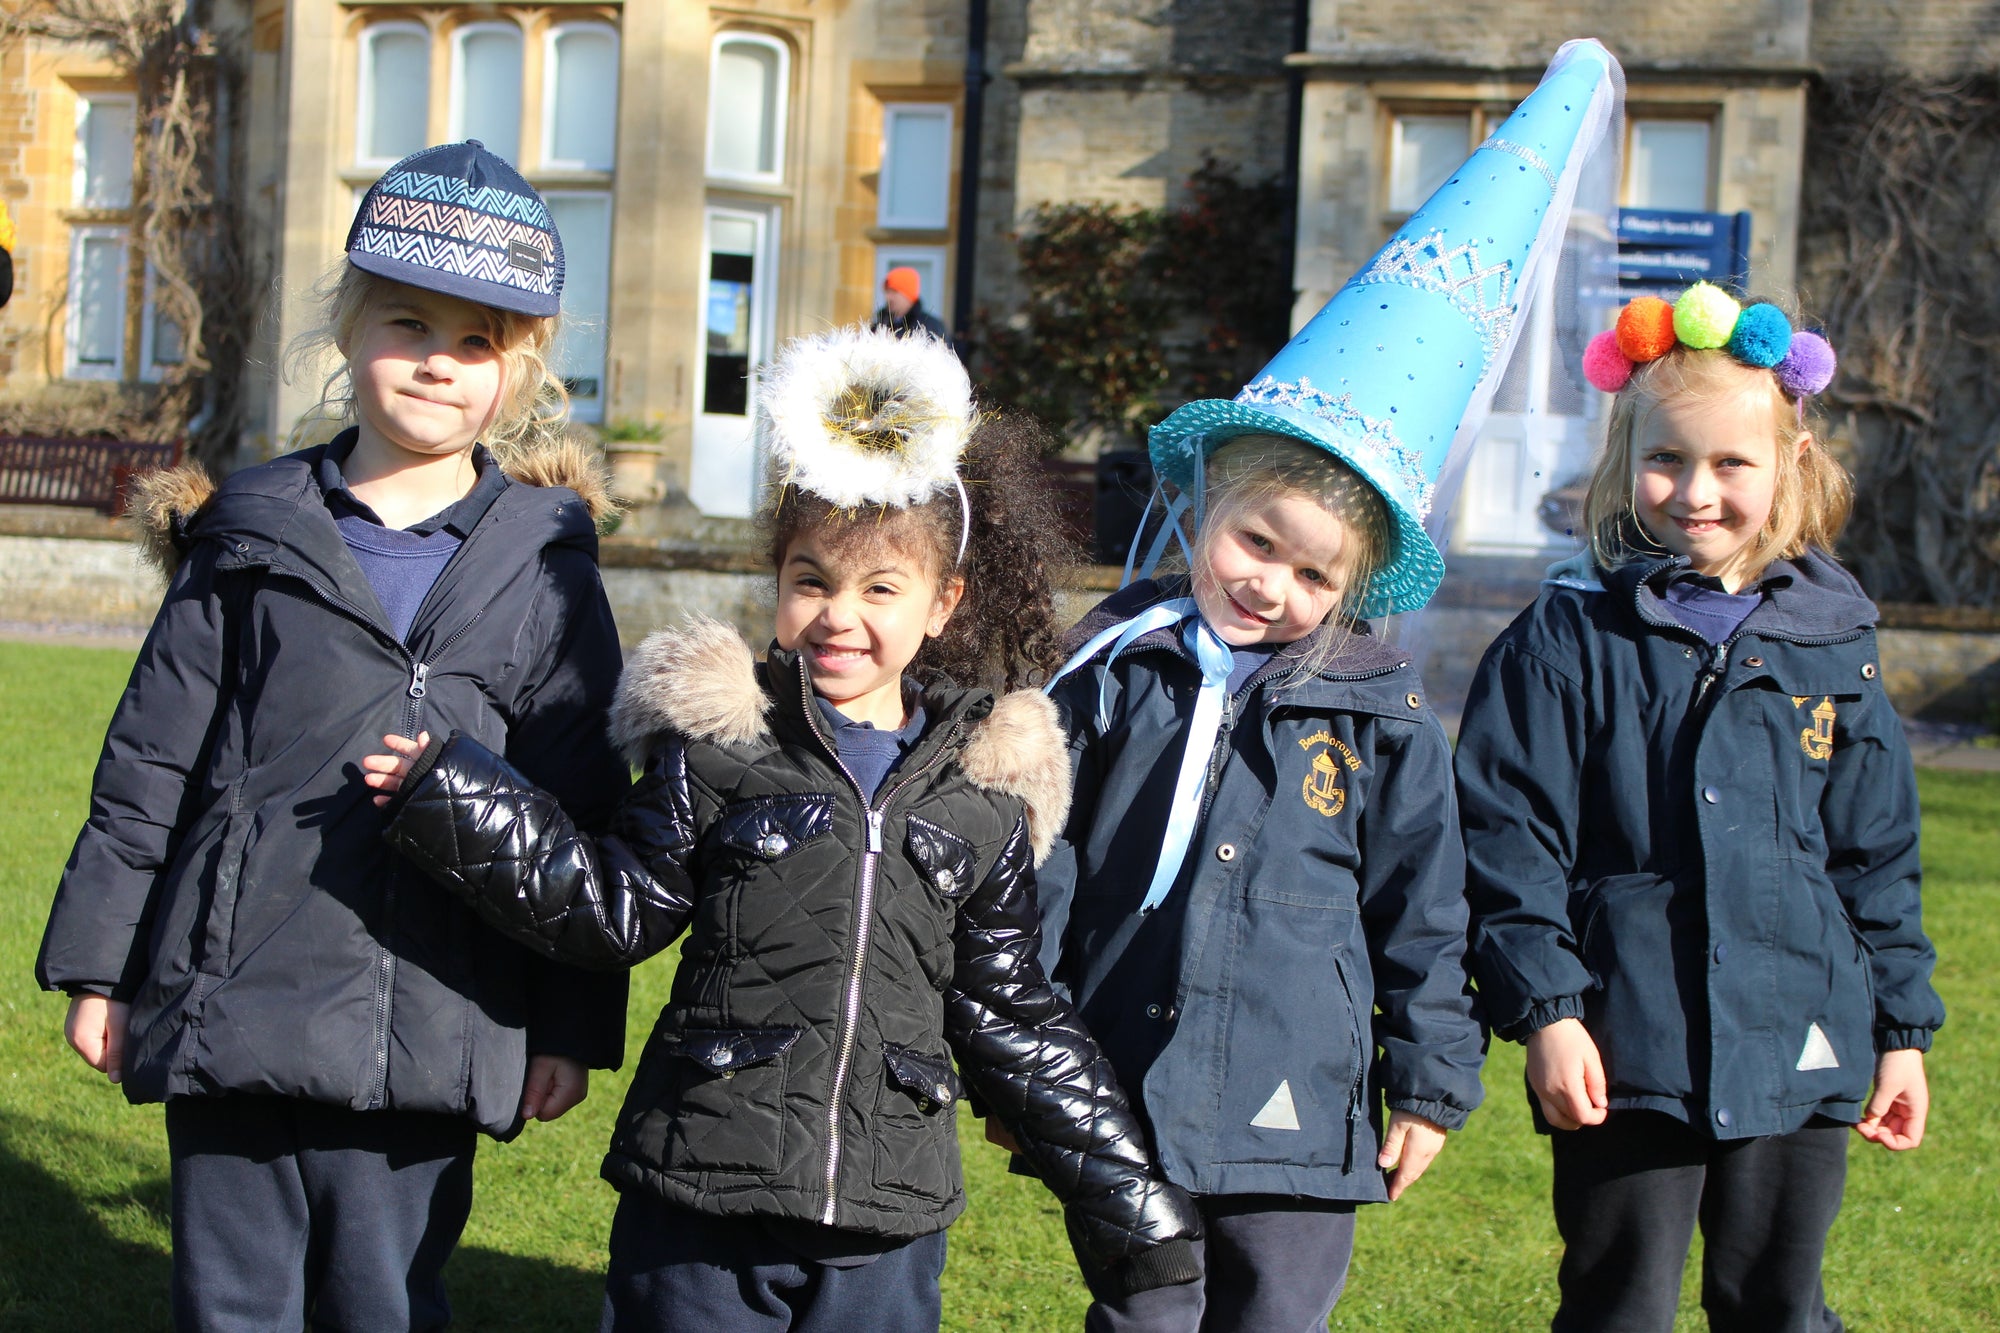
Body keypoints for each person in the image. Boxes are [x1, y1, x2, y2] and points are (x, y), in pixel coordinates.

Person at [361, 324, 1202, 1332]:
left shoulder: (982, 798)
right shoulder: (720, 748)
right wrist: (453, 794)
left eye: (880, 588)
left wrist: (1130, 1205)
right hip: (701, 1198)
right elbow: (611, 906)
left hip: (886, 1221)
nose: (839, 614)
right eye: (812, 580)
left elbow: (1012, 1014)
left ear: (943, 602)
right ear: (776, 580)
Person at [1026, 40, 1625, 1332]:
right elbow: (1048, 847)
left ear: (1353, 587)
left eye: (1312, 573)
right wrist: (1031, 1028)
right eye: (1255, 542)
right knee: (1139, 1312)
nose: (1271, 586)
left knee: (1276, 1311)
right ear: (1205, 507)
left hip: (1301, 1089)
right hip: (1124, 1068)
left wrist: (1434, 1080)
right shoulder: (1117, 669)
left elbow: (1423, 905)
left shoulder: (1379, 714)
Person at [36, 140, 630, 1330]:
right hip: (234, 998)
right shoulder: (249, 535)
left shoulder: (548, 570)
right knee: (231, 1304)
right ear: (349, 329)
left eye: (477, 341)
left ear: (519, 370)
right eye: (409, 323)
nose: (437, 361)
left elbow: (581, 817)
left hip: (437, 1014)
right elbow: (150, 764)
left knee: (383, 1302)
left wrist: (569, 1023)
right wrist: (101, 967)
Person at [1456, 283, 1944, 1332]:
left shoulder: (1835, 642)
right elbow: (1506, 843)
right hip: (1626, 1041)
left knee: (1777, 1303)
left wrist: (1899, 1028)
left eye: (1731, 464)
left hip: (1800, 1028)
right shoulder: (1564, 638)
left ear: (1789, 465)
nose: (1695, 492)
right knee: (1617, 1304)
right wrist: (1548, 1012)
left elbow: (1875, 854)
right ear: (1623, 458)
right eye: (1667, 458)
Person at [873, 265, 948, 341]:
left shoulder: (930, 326)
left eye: (894, 292)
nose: (888, 297)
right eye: (887, 292)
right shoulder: (879, 325)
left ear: (908, 295)